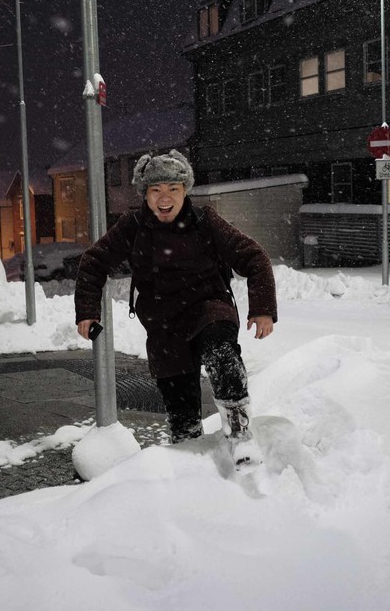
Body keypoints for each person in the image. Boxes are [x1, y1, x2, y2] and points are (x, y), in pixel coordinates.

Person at [74, 150, 277, 466]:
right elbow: (93, 261)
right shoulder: (134, 225)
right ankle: (190, 464)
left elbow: (254, 257)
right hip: (164, 325)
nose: (164, 197)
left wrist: (262, 308)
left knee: (221, 353)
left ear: (186, 190)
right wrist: (87, 311)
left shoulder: (204, 221)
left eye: (173, 188)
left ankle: (239, 433)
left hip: (209, 309)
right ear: (145, 193)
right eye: (156, 190)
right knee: (182, 415)